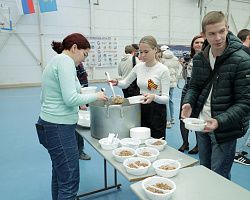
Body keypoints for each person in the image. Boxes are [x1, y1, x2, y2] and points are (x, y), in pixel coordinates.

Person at [35, 33, 107, 200]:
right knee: (69, 180)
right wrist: (95, 96)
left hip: (48, 125)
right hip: (58, 128)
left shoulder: (56, 61)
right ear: (75, 48)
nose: (83, 60)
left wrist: (79, 100)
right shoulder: (66, 62)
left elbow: (44, 97)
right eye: (84, 54)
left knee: (60, 175)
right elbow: (70, 99)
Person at [181, 11, 250, 179]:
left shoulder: (242, 59)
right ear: (204, 35)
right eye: (212, 33)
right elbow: (194, 87)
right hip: (201, 124)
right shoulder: (199, 59)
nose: (218, 37)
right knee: (204, 169)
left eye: (221, 31)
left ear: (227, 28)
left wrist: (219, 121)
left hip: (225, 127)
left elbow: (245, 102)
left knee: (219, 174)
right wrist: (188, 102)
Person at [110, 35, 170, 139]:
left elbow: (166, 98)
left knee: (156, 140)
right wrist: (117, 82)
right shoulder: (138, 67)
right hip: (140, 106)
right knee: (140, 138)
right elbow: (125, 83)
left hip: (156, 109)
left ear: (155, 50)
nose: (142, 55)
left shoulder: (163, 70)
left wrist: (154, 97)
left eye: (146, 52)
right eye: (141, 52)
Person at [178, 35, 204, 154]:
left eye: (201, 42)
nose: (199, 44)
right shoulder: (190, 58)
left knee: (198, 118)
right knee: (183, 117)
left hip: (200, 89)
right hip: (187, 87)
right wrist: (184, 66)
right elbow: (184, 77)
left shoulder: (207, 58)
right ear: (193, 45)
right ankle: (185, 142)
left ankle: (199, 145)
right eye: (196, 42)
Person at [233, 28, 250, 165]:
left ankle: (238, 149)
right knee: (243, 124)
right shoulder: (244, 53)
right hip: (243, 96)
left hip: (240, 95)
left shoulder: (237, 52)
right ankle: (236, 152)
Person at [161, 49, 182, 128]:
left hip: (165, 83)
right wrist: (176, 78)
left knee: (165, 101)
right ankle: (172, 118)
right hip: (172, 83)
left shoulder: (162, 60)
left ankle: (167, 121)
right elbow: (179, 69)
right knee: (170, 100)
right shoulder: (175, 59)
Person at [75, 62, 91, 160]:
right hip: (79, 99)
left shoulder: (79, 64)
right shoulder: (71, 65)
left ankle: (79, 150)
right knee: (78, 127)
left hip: (82, 97)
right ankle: (79, 151)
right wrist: (82, 102)